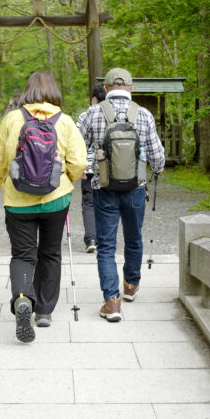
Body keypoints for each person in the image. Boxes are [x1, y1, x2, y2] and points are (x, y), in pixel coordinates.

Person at [0, 72, 87, 342]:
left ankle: (22, 299)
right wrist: (69, 180)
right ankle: (43, 312)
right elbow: (78, 162)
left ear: (27, 92)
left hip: (19, 201)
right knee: (51, 253)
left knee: (23, 255)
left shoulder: (12, 119)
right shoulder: (64, 122)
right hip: (56, 199)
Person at [80, 68, 164, 323]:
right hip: (136, 186)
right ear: (131, 88)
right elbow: (157, 154)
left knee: (105, 245)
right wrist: (158, 167)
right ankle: (131, 286)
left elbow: (75, 143)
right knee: (133, 238)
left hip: (103, 187)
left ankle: (112, 302)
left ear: (105, 89)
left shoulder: (92, 113)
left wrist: (85, 166)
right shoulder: (144, 114)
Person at [75, 83, 108, 253]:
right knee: (106, 202)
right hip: (108, 169)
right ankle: (105, 238)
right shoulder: (114, 115)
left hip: (88, 167)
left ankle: (91, 239)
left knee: (88, 203)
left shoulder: (84, 116)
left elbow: (76, 142)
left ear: (94, 98)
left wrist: (78, 166)